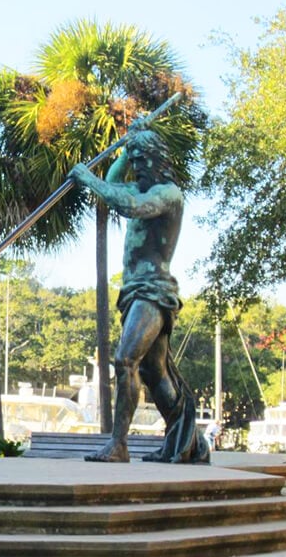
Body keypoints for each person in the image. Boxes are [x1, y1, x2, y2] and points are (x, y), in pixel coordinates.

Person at [69, 120, 208, 464]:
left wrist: (87, 178)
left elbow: (129, 206)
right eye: (135, 162)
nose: (138, 168)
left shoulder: (166, 195)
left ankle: (118, 445)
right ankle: (189, 442)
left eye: (142, 160)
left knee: (125, 360)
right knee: (152, 372)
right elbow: (111, 185)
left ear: (157, 159)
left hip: (153, 292)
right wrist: (123, 151)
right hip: (135, 291)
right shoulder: (139, 186)